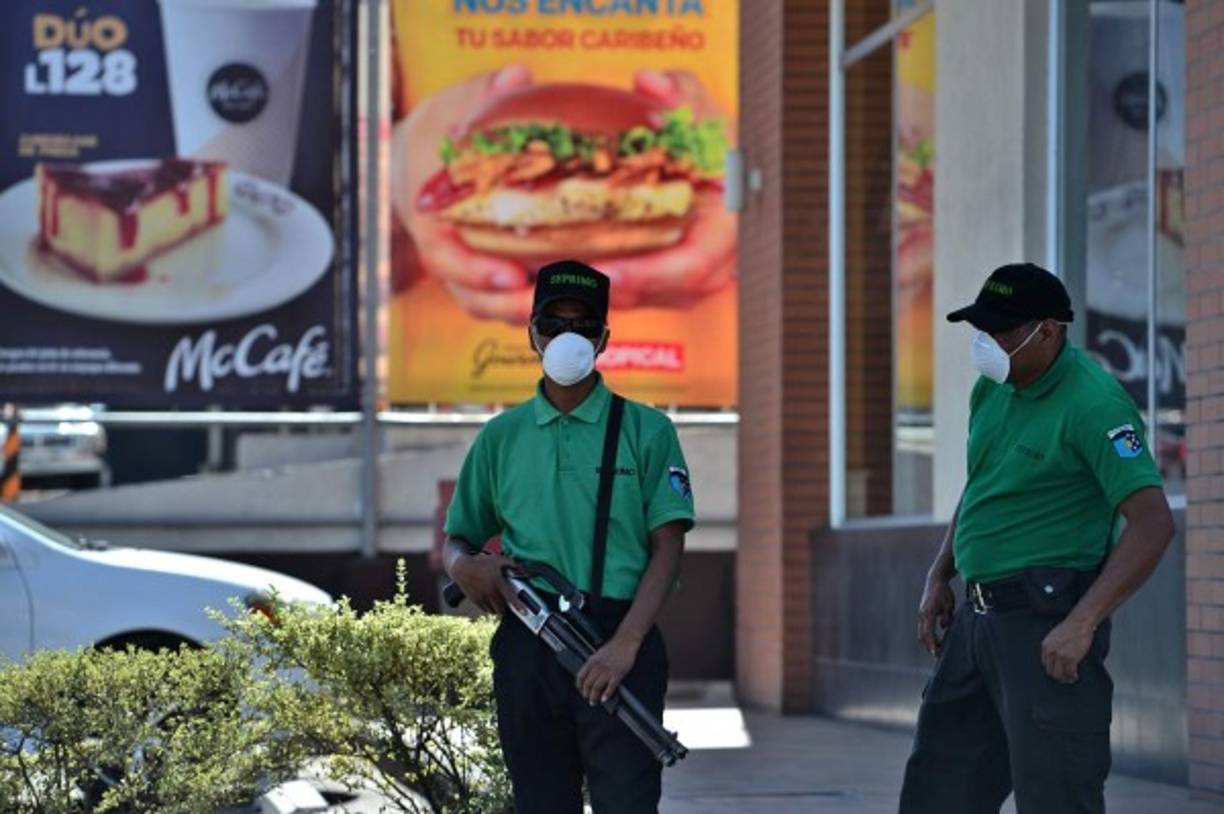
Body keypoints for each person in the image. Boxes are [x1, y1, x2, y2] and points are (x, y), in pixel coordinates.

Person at [899, 262, 1176, 814]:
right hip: (974, 627)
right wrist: (939, 573)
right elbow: (983, 485)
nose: (987, 342)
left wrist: (1082, 622)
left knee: (1056, 797)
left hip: (1045, 627)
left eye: (1001, 331)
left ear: (1048, 330)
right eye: (982, 329)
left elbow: (1153, 524)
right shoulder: (992, 390)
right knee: (937, 794)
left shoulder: (1094, 404)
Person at [442, 259, 695, 813]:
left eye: (582, 326)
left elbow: (668, 548)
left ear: (603, 339)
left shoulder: (646, 430)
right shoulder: (500, 437)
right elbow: (458, 537)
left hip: (618, 641)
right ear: (533, 333)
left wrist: (624, 646)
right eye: (553, 324)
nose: (566, 337)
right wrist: (465, 567)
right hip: (528, 648)